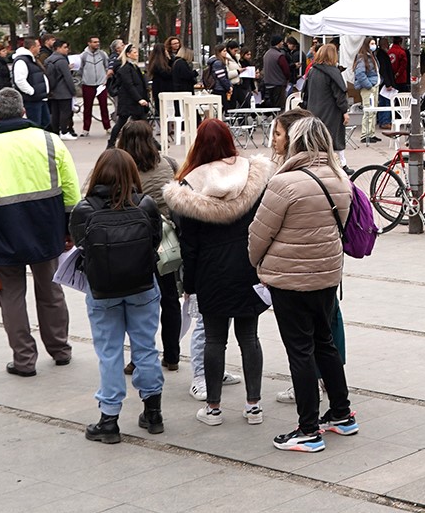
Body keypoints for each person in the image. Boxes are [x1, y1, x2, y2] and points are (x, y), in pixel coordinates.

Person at [0, 88, 81, 376]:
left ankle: (24, 360)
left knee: (10, 296)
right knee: (51, 291)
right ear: (24, 111)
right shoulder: (51, 141)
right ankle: (60, 349)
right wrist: (67, 228)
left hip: (2, 237)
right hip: (47, 232)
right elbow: (72, 192)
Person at [251, 116, 356, 451]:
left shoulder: (285, 183)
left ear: (295, 142)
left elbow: (259, 232)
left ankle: (308, 429)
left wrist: (256, 263)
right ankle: (341, 412)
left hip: (290, 278)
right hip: (327, 274)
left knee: (300, 349)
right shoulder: (340, 179)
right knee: (324, 341)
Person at [163, 118, 273, 427]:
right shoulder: (253, 175)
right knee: (249, 338)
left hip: (211, 273)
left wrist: (191, 284)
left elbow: (189, 244)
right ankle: (254, 406)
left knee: (214, 340)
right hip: (249, 268)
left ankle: (213, 408)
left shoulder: (189, 186)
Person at [70, 148, 164, 442]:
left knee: (109, 353)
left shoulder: (85, 209)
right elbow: (156, 241)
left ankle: (109, 420)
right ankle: (153, 413)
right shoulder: (146, 204)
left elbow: (79, 245)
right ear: (132, 173)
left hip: (103, 291)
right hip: (142, 286)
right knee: (145, 348)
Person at [114, 122, 183, 373]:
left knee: (138, 301)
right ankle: (172, 355)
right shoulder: (168, 163)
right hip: (166, 239)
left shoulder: (122, 168)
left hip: (133, 240)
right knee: (170, 298)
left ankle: (139, 357)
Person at [300, 44, 351, 154]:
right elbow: (339, 94)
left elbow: (306, 92)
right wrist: (344, 111)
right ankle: (341, 163)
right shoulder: (333, 72)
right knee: (333, 138)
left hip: (314, 110)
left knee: (318, 139)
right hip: (331, 112)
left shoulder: (312, 71)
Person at [107, 45, 152, 147]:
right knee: (121, 122)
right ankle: (111, 143)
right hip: (128, 101)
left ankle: (151, 142)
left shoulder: (134, 67)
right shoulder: (124, 68)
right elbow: (129, 85)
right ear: (128, 54)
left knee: (143, 122)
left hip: (135, 101)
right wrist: (139, 99)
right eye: (134, 52)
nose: (136, 54)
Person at [78, 37, 112, 136]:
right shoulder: (83, 56)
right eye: (94, 42)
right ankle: (86, 129)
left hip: (101, 84)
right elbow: (80, 69)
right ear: (89, 43)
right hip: (88, 84)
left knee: (104, 106)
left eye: (98, 42)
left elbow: (107, 66)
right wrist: (82, 80)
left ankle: (107, 127)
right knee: (87, 108)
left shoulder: (102, 54)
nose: (97, 44)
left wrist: (106, 78)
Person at [44, 39, 77, 138]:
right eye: (65, 47)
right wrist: (73, 91)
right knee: (65, 112)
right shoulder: (62, 61)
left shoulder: (48, 60)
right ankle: (64, 131)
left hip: (52, 90)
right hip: (64, 91)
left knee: (55, 113)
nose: (67, 50)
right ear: (58, 48)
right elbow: (68, 78)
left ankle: (55, 132)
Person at [350, 42, 383, 143]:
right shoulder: (362, 58)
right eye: (372, 43)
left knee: (373, 111)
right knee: (368, 111)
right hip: (369, 88)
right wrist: (368, 85)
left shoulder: (371, 56)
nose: (374, 45)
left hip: (374, 86)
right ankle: (365, 134)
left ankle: (371, 133)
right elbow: (360, 74)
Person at [12, 36, 49, 123]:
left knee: (45, 121)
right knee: (35, 123)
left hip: (40, 97)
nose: (40, 47)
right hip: (32, 99)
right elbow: (19, 80)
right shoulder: (22, 61)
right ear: (32, 47)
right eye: (38, 45)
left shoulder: (32, 59)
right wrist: (32, 92)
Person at [259, 35, 294, 111]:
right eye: (281, 41)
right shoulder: (279, 56)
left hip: (268, 84)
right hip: (278, 84)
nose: (282, 43)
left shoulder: (266, 54)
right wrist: (288, 78)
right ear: (278, 43)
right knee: (279, 108)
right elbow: (286, 70)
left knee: (271, 108)